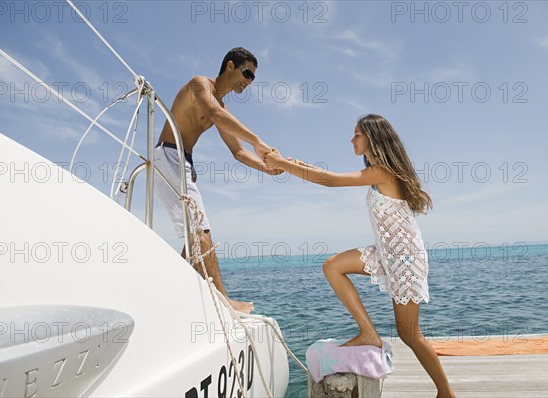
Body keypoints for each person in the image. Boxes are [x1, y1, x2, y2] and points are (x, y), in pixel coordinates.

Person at [264, 114, 456, 397]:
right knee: (332, 266)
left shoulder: (383, 172)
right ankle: (369, 333)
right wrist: (291, 163)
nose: (351, 140)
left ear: (372, 138)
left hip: (404, 259)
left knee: (410, 334)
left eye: (356, 135)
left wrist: (284, 165)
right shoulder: (377, 173)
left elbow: (330, 181)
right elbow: (328, 177)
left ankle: (446, 393)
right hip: (385, 253)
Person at [154, 47, 281, 314]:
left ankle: (166, 296)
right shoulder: (200, 85)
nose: (249, 81)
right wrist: (258, 141)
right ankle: (223, 301)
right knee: (202, 233)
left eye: (253, 78)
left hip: (181, 161)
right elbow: (213, 113)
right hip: (168, 155)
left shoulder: (221, 107)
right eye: (247, 73)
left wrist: (267, 168)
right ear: (230, 66)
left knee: (194, 240)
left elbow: (238, 152)